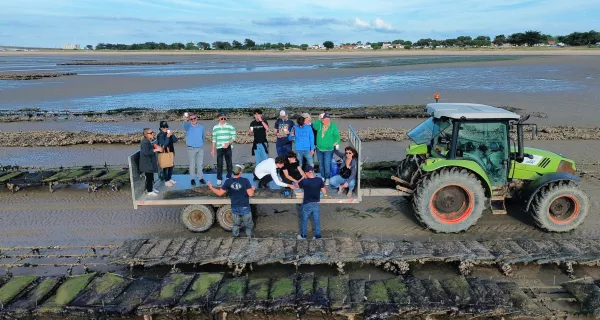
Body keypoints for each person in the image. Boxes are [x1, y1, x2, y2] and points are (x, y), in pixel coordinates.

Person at [207, 164, 255, 237]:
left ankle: (235, 236)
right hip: (244, 206)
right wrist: (253, 189)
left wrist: (211, 187)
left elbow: (220, 193)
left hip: (234, 207)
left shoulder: (228, 181)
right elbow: (251, 194)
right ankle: (249, 236)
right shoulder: (245, 181)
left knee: (236, 224)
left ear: (233, 172)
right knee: (248, 224)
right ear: (240, 172)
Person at [297, 165, 331, 240]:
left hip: (307, 204)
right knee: (316, 220)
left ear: (306, 173)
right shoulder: (319, 180)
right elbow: (324, 190)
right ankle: (318, 236)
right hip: (316, 204)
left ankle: (303, 236)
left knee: (304, 220)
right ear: (313, 171)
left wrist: (303, 177)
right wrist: (326, 195)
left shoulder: (304, 181)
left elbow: (297, 185)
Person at [312, 112, 341, 186]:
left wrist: (337, 143)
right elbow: (314, 126)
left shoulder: (333, 126)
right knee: (321, 164)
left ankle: (327, 178)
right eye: (323, 119)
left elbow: (337, 136)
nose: (324, 120)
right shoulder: (320, 125)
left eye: (326, 119)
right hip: (319, 149)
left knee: (327, 164)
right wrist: (318, 119)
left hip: (329, 149)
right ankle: (322, 177)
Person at [211, 112, 236, 187]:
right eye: (221, 118)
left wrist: (228, 143)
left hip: (228, 147)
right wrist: (212, 149)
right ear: (218, 118)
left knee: (229, 163)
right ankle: (219, 179)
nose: (223, 120)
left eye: (224, 118)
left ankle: (228, 177)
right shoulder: (215, 127)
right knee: (219, 164)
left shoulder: (230, 127)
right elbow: (214, 139)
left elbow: (233, 137)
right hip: (219, 148)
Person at [183, 112, 206, 186]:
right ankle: (192, 179)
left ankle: (200, 178)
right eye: (191, 119)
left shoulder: (201, 127)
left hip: (200, 148)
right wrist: (185, 119)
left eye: (194, 118)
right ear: (189, 120)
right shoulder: (188, 126)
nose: (193, 120)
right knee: (192, 165)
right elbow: (185, 124)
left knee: (200, 164)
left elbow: (203, 137)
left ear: (197, 118)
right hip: (191, 148)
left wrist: (201, 144)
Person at [139, 128, 163, 196]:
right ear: (146, 134)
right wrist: (155, 150)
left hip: (149, 163)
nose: (152, 133)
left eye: (152, 132)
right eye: (150, 133)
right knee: (149, 177)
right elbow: (146, 152)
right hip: (146, 164)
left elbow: (150, 148)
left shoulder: (148, 141)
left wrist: (155, 147)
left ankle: (151, 188)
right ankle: (149, 191)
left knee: (151, 176)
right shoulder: (144, 142)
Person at [157, 121, 178, 187]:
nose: (165, 128)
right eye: (164, 127)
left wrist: (172, 134)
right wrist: (168, 137)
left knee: (171, 166)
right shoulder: (160, 135)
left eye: (166, 127)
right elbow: (164, 144)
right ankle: (166, 180)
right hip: (164, 153)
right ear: (160, 128)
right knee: (165, 167)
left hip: (171, 152)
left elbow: (175, 140)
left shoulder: (168, 133)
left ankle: (169, 178)